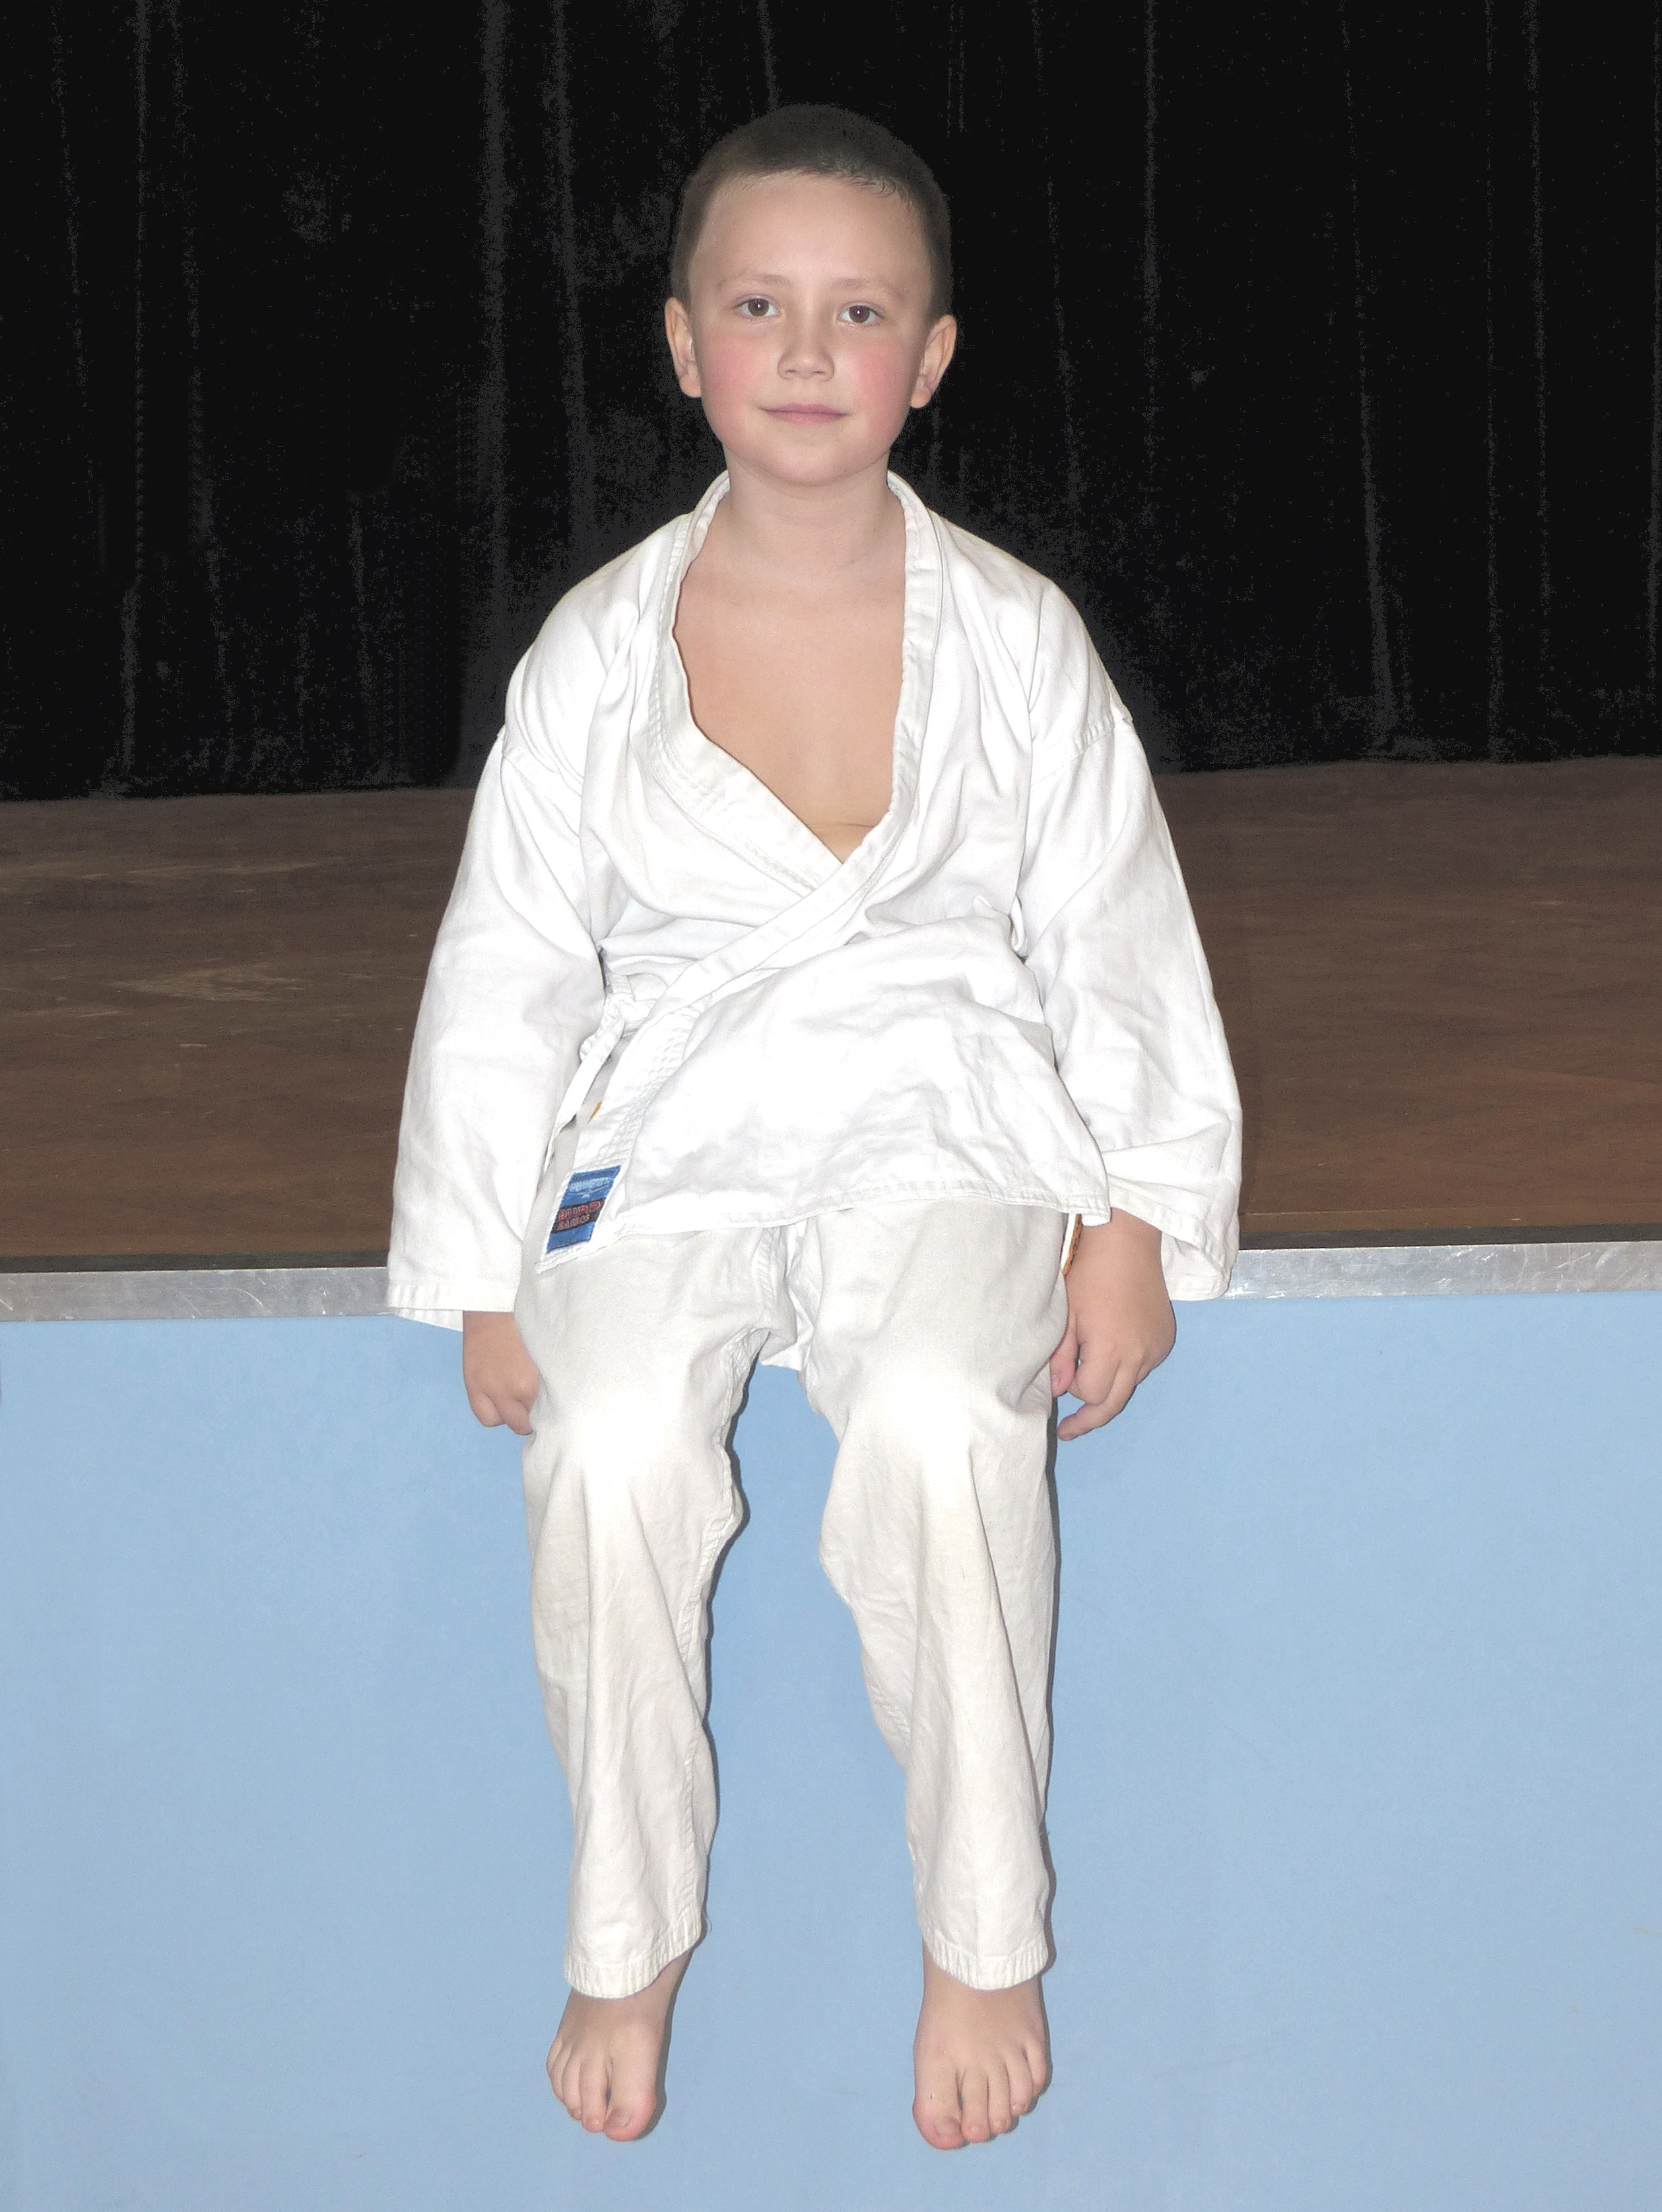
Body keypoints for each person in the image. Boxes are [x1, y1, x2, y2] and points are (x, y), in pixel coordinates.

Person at [389, 103, 1240, 2153]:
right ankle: (625, 1931)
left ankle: (984, 1928)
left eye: (858, 313)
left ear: (928, 359)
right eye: (759, 306)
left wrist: (1133, 1216)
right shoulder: (601, 650)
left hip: (945, 1104)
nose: (804, 351)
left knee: (948, 1421)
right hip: (668, 1120)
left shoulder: (1015, 638)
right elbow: (512, 965)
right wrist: (486, 1262)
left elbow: (1111, 931)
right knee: (607, 1448)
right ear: (684, 343)